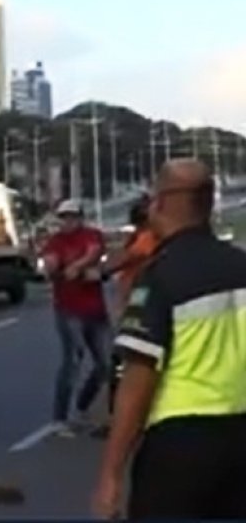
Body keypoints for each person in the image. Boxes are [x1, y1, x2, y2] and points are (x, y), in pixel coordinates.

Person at [92, 159, 246, 519]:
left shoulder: (160, 276)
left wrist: (111, 474)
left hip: (180, 445)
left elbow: (138, 381)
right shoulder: (242, 266)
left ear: (162, 202)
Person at [39, 198, 110, 433]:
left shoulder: (91, 235)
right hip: (69, 310)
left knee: (106, 363)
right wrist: (50, 268)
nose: (68, 222)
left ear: (80, 217)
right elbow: (50, 261)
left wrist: (78, 267)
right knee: (72, 361)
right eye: (64, 218)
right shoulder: (56, 242)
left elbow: (94, 251)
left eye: (73, 217)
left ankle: (82, 405)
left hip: (95, 310)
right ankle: (59, 418)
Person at [100, 195, 160, 412]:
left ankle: (119, 411)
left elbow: (127, 258)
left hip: (138, 304)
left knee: (124, 359)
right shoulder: (139, 236)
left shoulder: (148, 237)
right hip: (131, 301)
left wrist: (102, 271)